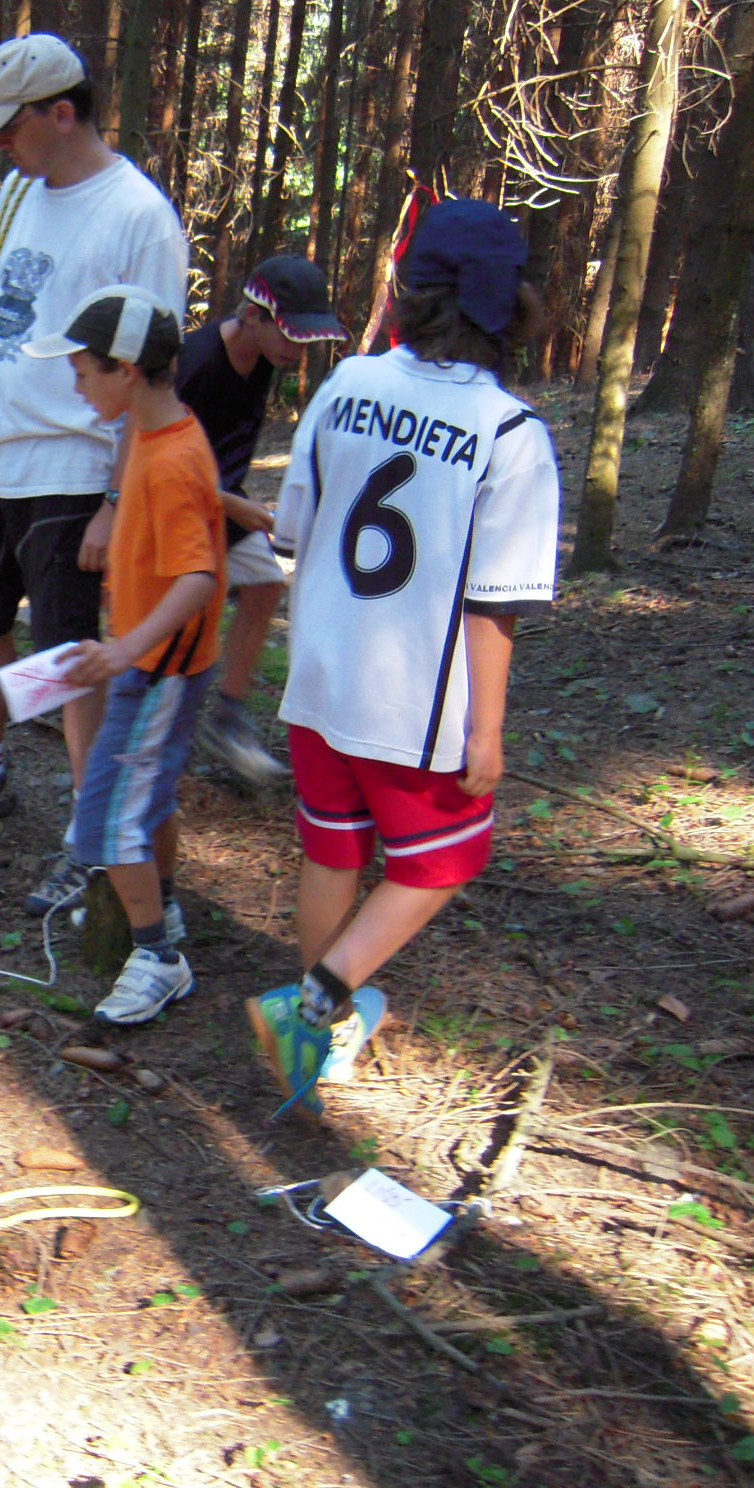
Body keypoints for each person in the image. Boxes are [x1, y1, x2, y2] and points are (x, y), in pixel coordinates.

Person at [246, 199, 558, 1117]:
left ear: (408, 289)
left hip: (319, 678)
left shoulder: (346, 383)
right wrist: (487, 733)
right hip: (415, 706)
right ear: (512, 304)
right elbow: (494, 602)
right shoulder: (509, 431)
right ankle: (313, 1006)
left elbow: (292, 530)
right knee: (440, 863)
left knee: (332, 850)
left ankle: (316, 1035)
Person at [0, 33, 190, 925]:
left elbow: (153, 372)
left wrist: (115, 498)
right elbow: (4, 323)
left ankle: (87, 832)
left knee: (68, 659)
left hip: (73, 465)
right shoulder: (21, 189)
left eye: (10, 125)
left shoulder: (139, 216)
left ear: (63, 113)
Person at [25, 286, 227, 1024]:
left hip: (160, 666)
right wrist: (235, 506)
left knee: (107, 819)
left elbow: (198, 577)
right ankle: (160, 908)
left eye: (84, 372)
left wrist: (125, 651)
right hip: (155, 659)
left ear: (127, 369)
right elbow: (197, 504)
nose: (77, 387)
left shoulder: (169, 456)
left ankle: (158, 958)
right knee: (147, 797)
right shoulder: (155, 429)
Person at [174, 255, 348, 787]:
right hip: (175, 510)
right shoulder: (197, 362)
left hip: (222, 501)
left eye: (304, 341)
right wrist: (233, 505)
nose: (297, 352)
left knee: (267, 584)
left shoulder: (266, 359)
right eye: (290, 336)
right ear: (253, 315)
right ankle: (156, 733)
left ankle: (229, 718)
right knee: (181, 621)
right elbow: (157, 463)